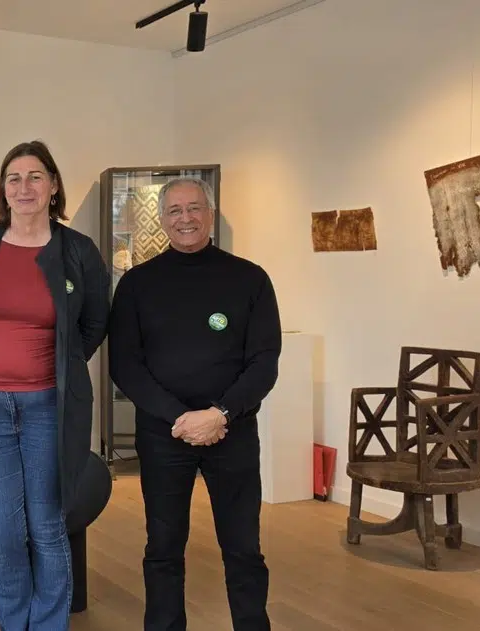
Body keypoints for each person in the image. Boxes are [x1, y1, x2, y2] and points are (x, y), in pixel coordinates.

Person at [107, 176, 280, 631]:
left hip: (232, 432)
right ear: (163, 219)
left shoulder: (250, 278)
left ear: (211, 214)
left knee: (243, 547)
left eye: (194, 208)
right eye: (175, 210)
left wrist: (220, 414)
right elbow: (125, 365)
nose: (185, 218)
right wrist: (180, 418)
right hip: (164, 434)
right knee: (163, 548)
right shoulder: (137, 284)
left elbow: (265, 362)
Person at [0, 140, 110, 630]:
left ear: (53, 186)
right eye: (14, 178)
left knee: (46, 526)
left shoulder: (77, 250)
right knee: (0, 532)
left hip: (48, 408)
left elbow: (94, 323)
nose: (24, 187)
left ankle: (48, 625)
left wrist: (58, 365)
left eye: (35, 177)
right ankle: (14, 623)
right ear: (3, 189)